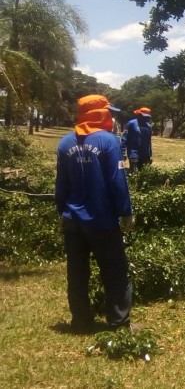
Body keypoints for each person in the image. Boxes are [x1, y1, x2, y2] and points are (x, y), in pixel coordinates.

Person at [55, 94, 135, 333]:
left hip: (73, 221)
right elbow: (117, 181)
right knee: (115, 272)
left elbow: (61, 184)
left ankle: (81, 322)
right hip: (102, 221)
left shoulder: (65, 143)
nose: (111, 116)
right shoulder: (108, 141)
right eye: (108, 112)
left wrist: (62, 211)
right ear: (99, 114)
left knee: (77, 274)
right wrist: (126, 212)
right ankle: (119, 324)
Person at [121, 107, 153, 172]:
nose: (146, 118)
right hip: (134, 152)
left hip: (145, 154)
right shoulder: (131, 123)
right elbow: (124, 138)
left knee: (144, 173)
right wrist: (123, 152)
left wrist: (150, 155)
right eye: (145, 116)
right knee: (135, 172)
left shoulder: (148, 126)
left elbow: (149, 141)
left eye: (148, 117)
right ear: (139, 115)